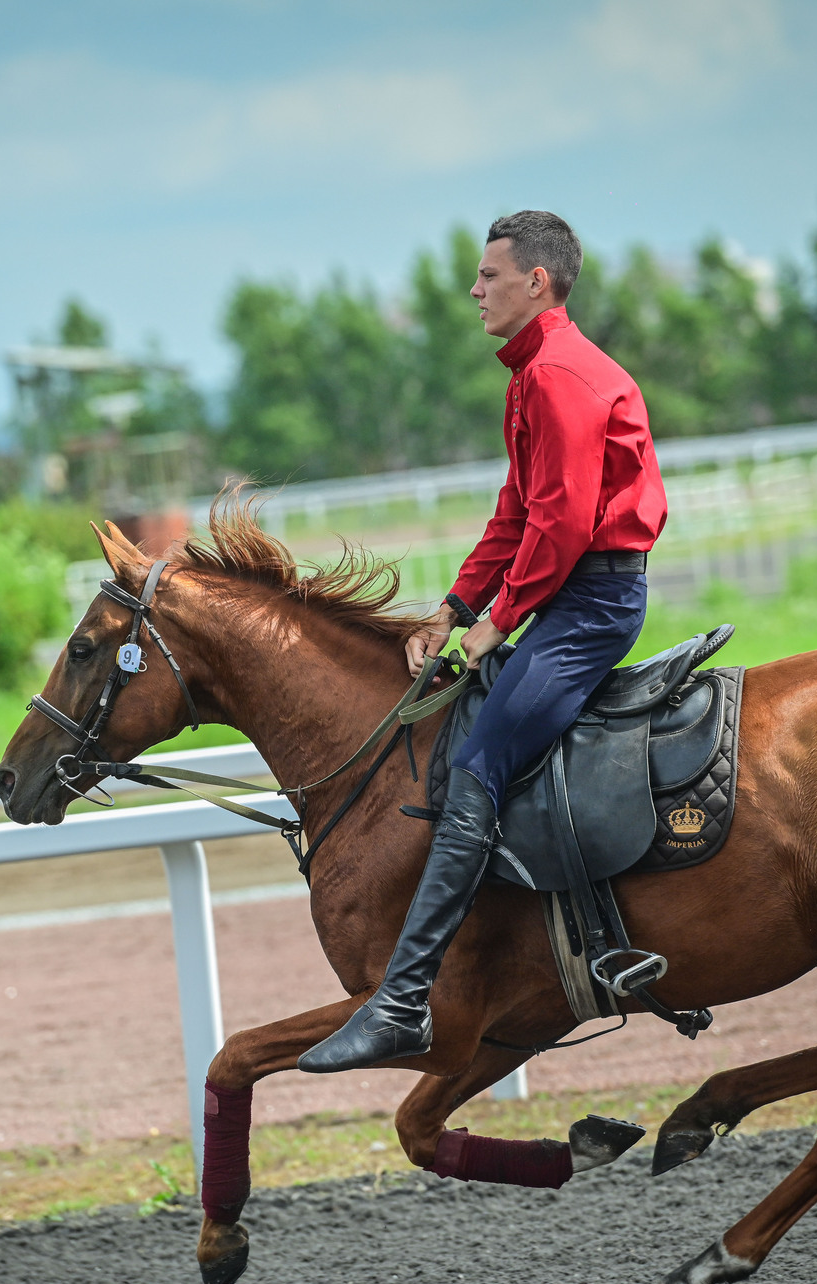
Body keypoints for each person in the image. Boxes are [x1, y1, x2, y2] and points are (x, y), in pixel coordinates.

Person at [300, 210, 666, 1074]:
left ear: (536, 280)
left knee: (477, 767)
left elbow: (567, 523)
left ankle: (400, 1000)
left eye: (488, 275)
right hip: (575, 595)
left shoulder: (558, 377)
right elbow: (519, 514)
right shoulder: (535, 374)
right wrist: (453, 611)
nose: (475, 290)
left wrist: (497, 623)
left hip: (592, 605)